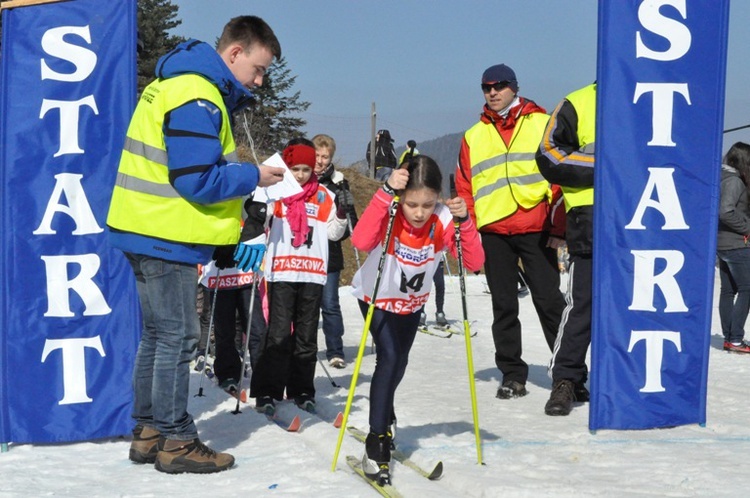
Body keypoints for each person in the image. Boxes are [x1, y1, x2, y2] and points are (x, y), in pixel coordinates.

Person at [106, 16, 284, 473]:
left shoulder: (177, 84)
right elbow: (195, 180)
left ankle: (148, 431)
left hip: (144, 228)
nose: (260, 81)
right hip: (166, 235)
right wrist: (253, 176)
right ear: (235, 54)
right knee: (178, 338)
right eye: (259, 69)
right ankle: (176, 439)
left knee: (157, 336)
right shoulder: (198, 94)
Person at [351, 155, 484, 483]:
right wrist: (385, 193)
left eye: (428, 203)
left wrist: (465, 221)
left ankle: (385, 413)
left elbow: (474, 261)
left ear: (438, 196)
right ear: (402, 197)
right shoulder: (392, 209)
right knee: (389, 358)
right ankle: (376, 440)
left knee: (399, 364)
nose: (420, 212)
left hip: (411, 305)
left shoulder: (441, 219)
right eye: (413, 204)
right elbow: (361, 241)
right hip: (376, 298)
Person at [455, 63, 566, 400]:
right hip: (494, 232)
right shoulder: (474, 135)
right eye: (486, 87)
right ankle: (512, 374)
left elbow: (559, 176)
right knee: (504, 306)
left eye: (500, 85)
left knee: (550, 302)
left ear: (514, 87)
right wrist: (468, 231)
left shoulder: (542, 123)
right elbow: (465, 187)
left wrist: (559, 225)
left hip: (536, 226)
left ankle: (568, 373)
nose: (493, 92)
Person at [248, 141, 348, 414]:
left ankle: (302, 388)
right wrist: (257, 206)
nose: (302, 174)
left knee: (306, 337)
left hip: (313, 274)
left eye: (306, 169)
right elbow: (260, 216)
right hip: (282, 271)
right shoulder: (277, 192)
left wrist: (341, 214)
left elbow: (333, 233)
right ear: (287, 169)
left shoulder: (324, 194)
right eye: (296, 169)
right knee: (278, 334)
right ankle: (267, 390)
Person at [535, 82, 596, 416]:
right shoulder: (578, 102)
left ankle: (636, 382)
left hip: (648, 222)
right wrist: (607, 163)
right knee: (582, 307)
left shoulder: (657, 93)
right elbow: (548, 157)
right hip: (592, 223)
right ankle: (566, 380)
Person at [312, 134, 359, 368]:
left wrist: (345, 208)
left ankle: (335, 350)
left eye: (325, 157)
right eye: (317, 155)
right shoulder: (301, 178)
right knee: (307, 304)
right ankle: (306, 348)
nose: (320, 161)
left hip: (329, 254)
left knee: (329, 304)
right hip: (305, 253)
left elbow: (351, 225)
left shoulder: (339, 182)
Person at [717, 142, 750, 354]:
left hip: (721, 243)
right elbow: (726, 211)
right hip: (736, 244)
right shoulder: (735, 181)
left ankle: (730, 338)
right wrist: (747, 226)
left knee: (728, 291)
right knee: (747, 289)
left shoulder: (719, 177)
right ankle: (736, 339)